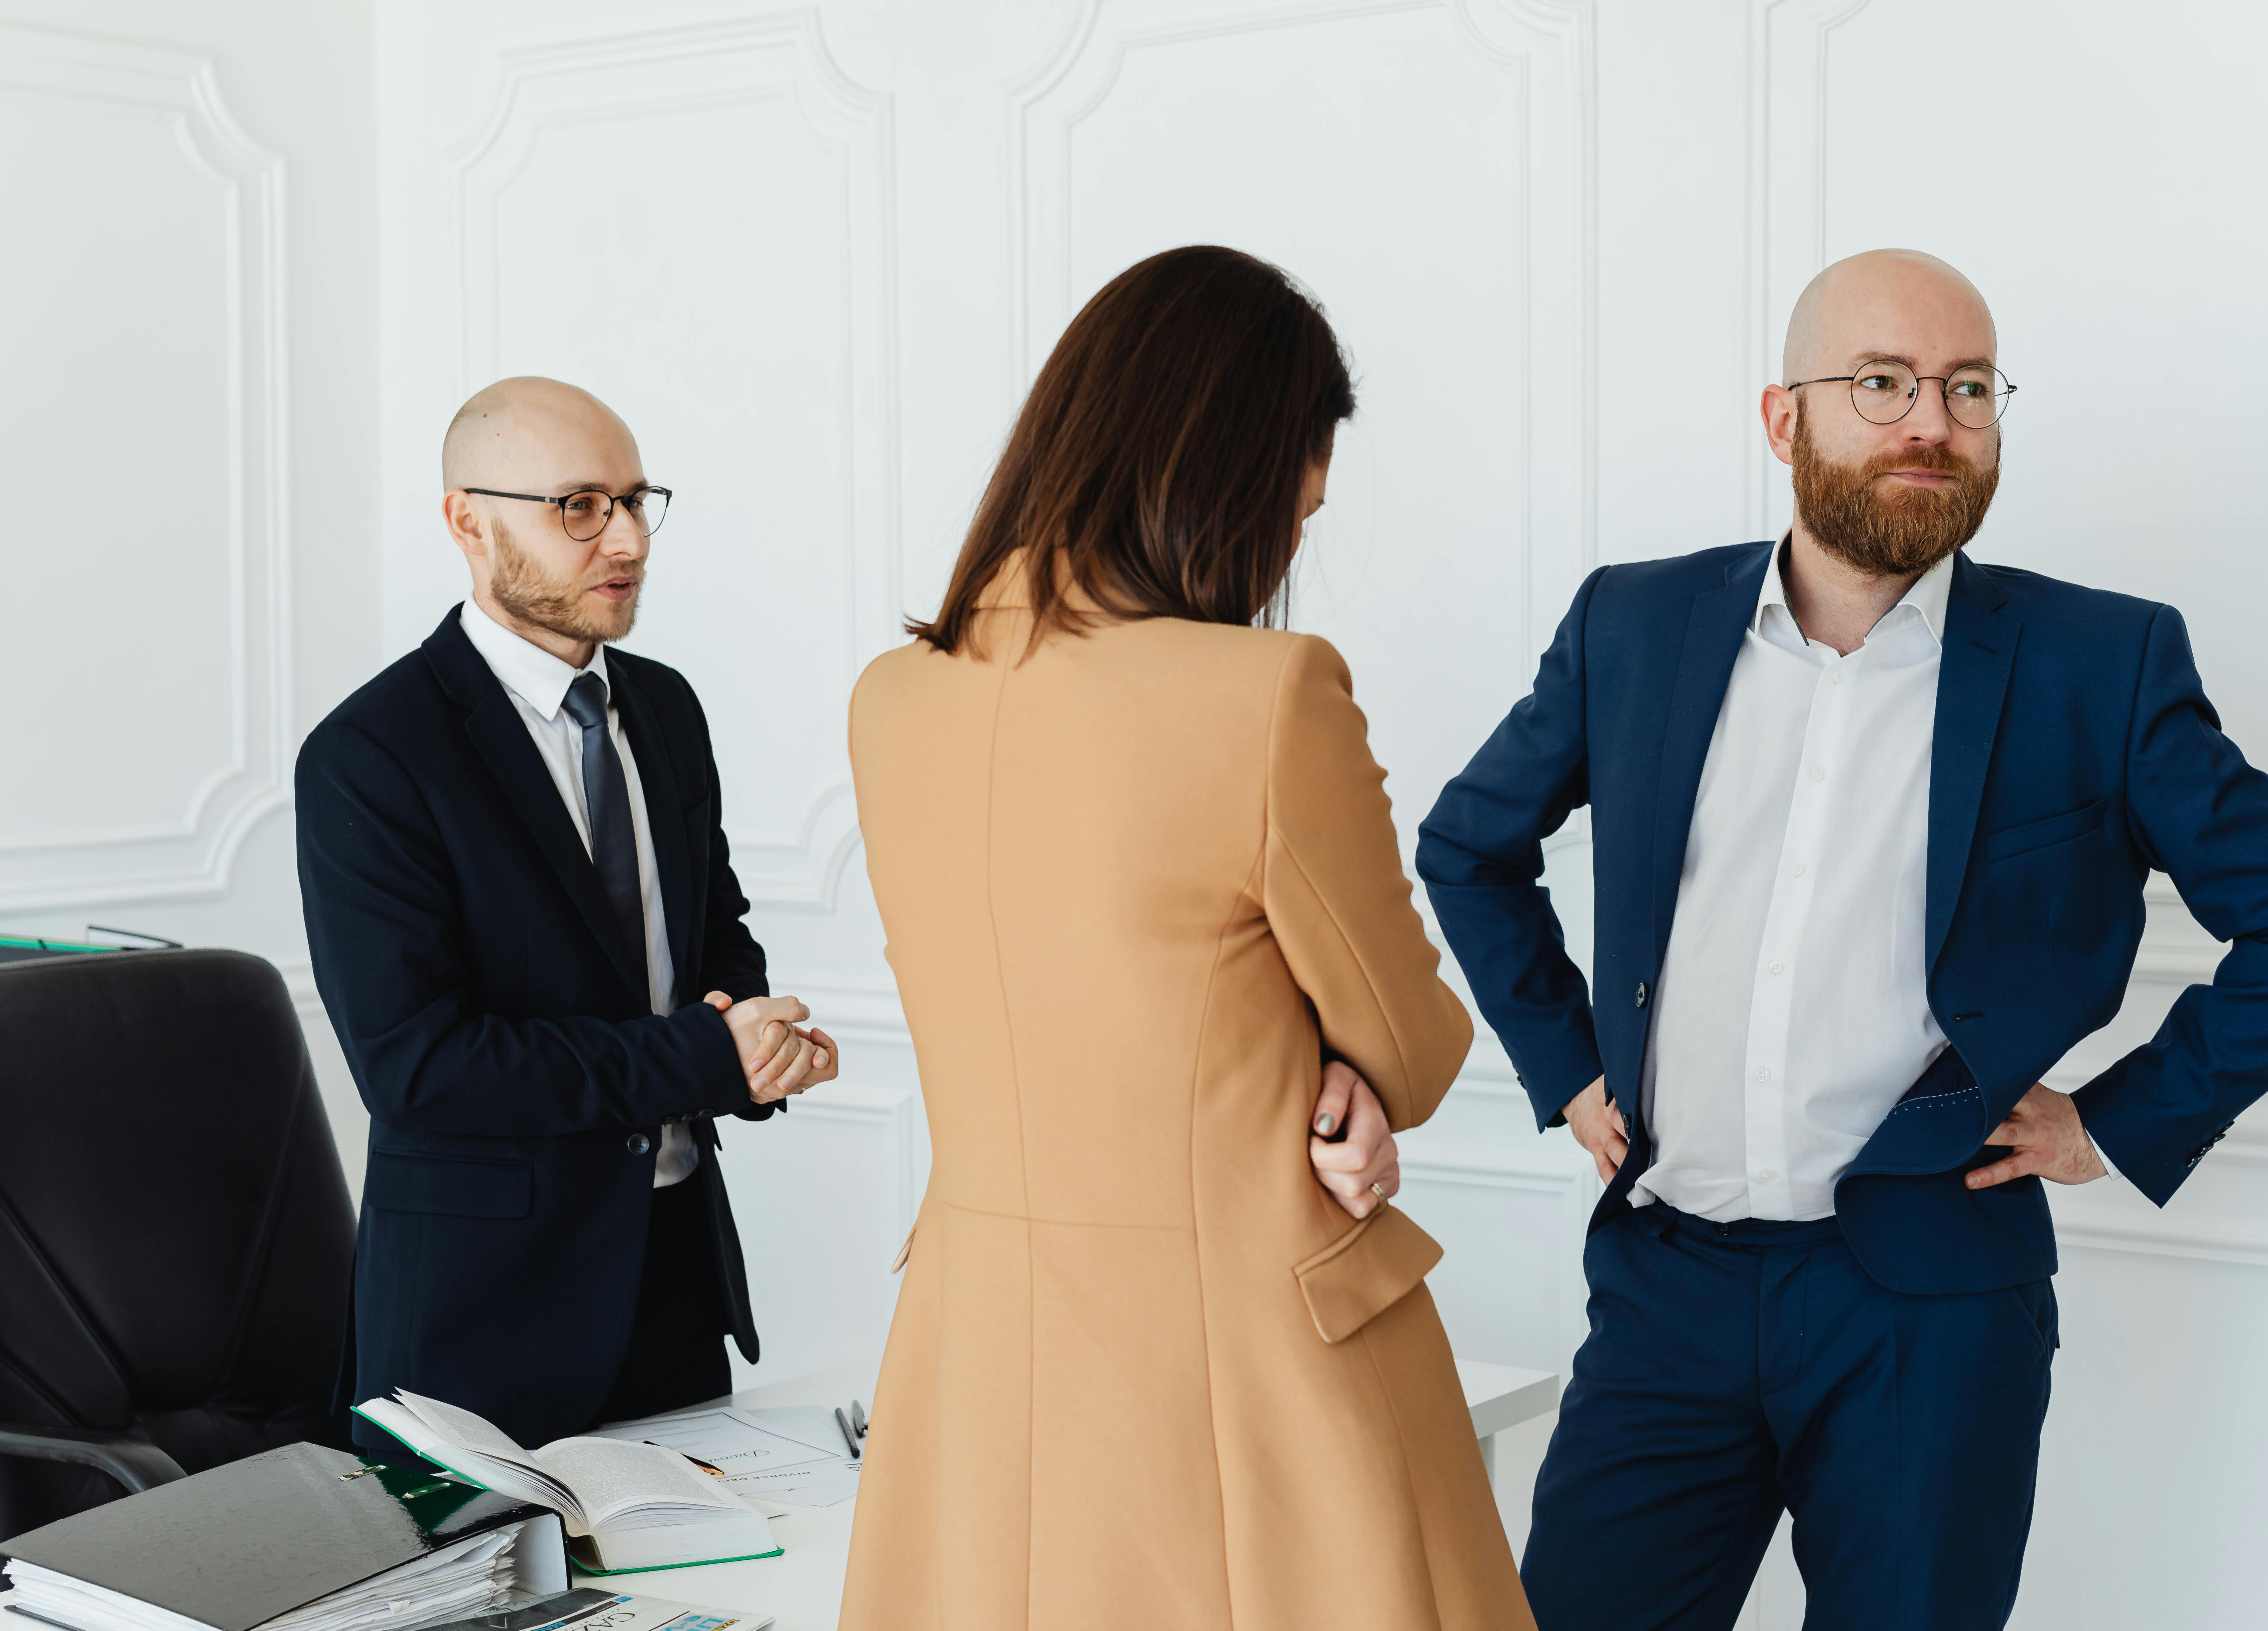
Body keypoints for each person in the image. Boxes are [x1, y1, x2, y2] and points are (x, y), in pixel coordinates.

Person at [1418, 249, 2268, 1629]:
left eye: (1967, 388)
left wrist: (2111, 1124)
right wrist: (1568, 1068)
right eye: (1880, 383)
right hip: (1667, 1288)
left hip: (1933, 1312)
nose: (1929, 421)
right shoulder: (1633, 626)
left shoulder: (2096, 663)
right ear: (1784, 418)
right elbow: (1468, 845)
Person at [838, 246, 1534, 1629]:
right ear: (1221, 468)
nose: (1289, 536)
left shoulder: (890, 698)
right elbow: (1407, 1037)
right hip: (1242, 1362)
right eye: (1296, 494)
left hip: (977, 1356)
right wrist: (1352, 1072)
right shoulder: (1268, 694)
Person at [297, 376, 839, 1449]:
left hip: (674, 1284)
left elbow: (712, 944)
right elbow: (420, 1067)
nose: (626, 538)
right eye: (579, 506)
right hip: (480, 1326)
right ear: (467, 518)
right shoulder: (371, 757)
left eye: (638, 502)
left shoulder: (667, 709)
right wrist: (704, 1055)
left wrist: (761, 1050)